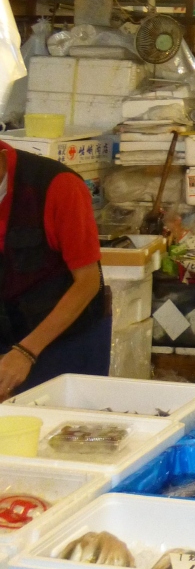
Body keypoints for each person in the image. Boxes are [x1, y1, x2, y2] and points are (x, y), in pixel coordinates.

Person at [0, 139, 108, 399]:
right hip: (7, 333)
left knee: (60, 420)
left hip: (66, 340)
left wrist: (25, 352)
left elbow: (87, 282)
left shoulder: (57, 185)